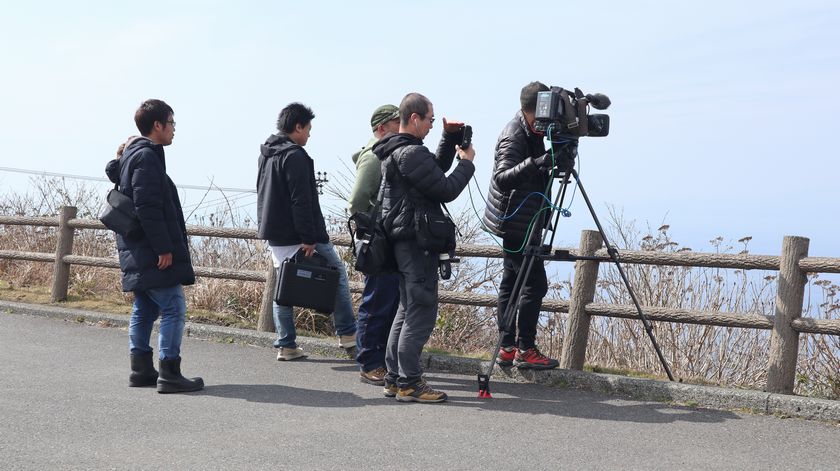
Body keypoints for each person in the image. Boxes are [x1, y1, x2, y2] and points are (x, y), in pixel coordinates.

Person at [373, 92, 475, 403]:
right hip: (417, 242)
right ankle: (410, 383)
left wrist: (448, 137)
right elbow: (444, 188)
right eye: (430, 120)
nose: (432, 125)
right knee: (422, 310)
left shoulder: (398, 151)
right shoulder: (409, 154)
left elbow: (432, 171)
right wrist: (467, 164)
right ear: (414, 118)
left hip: (403, 241)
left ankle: (395, 378)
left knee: (407, 308)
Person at [105, 99, 204, 393]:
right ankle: (169, 372)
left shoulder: (136, 156)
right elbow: (148, 207)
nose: (174, 129)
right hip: (150, 248)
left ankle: (141, 370)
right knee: (173, 305)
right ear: (157, 125)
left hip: (137, 247)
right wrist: (163, 248)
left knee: (146, 306)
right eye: (172, 123)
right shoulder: (146, 157)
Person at [256, 102, 357, 361]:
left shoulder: (266, 153)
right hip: (299, 234)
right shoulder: (295, 155)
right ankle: (348, 334)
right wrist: (309, 238)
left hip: (275, 233)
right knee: (337, 275)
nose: (310, 134)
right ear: (297, 126)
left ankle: (286, 345)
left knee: (284, 287)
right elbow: (301, 200)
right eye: (308, 128)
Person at [483, 81, 560, 370]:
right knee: (534, 284)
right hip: (517, 222)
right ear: (537, 108)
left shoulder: (531, 130)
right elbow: (503, 177)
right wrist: (539, 162)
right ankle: (525, 349)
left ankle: (507, 346)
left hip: (522, 218)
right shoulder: (515, 134)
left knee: (511, 282)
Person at [348, 104, 402, 386]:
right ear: (382, 128)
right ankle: (369, 362)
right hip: (378, 240)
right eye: (396, 123)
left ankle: (379, 360)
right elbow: (356, 202)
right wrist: (375, 224)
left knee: (387, 301)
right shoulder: (373, 157)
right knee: (377, 302)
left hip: (384, 239)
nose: (401, 127)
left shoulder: (388, 153)